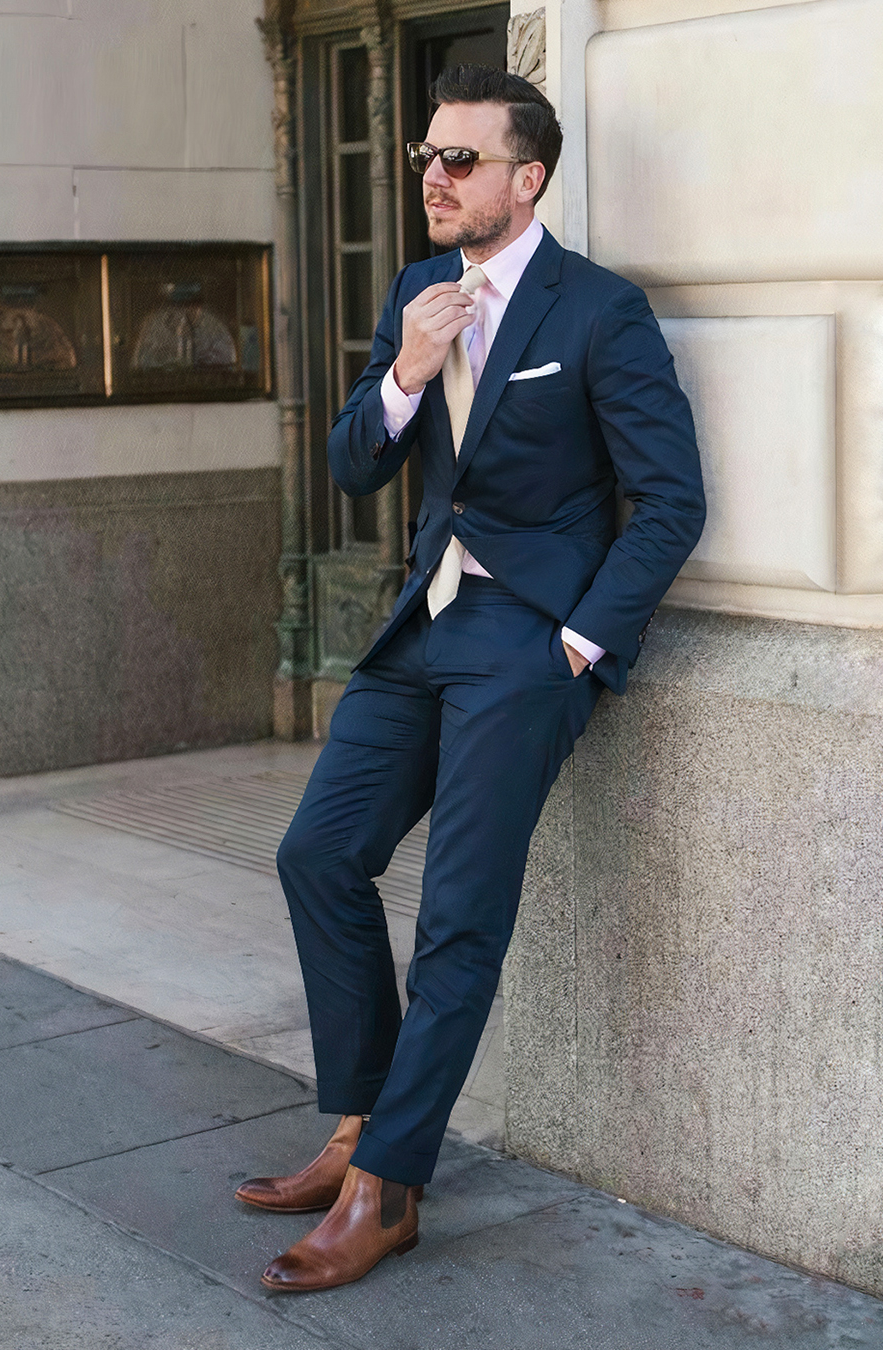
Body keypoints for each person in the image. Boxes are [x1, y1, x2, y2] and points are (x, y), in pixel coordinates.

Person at [236, 63, 706, 1292]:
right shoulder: (417, 291)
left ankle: (389, 1190)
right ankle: (359, 1122)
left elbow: (668, 502)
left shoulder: (598, 312)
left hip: (526, 641)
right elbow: (350, 468)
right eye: (425, 159)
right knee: (317, 855)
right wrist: (401, 371)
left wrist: (579, 645)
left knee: (457, 918)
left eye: (459, 160)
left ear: (525, 177)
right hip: (420, 625)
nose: (434, 179)